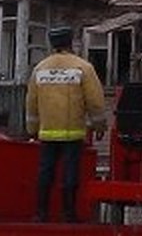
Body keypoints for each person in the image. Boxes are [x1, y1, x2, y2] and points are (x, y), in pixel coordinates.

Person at [25, 26, 107, 223]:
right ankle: (68, 213)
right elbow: (95, 101)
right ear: (71, 42)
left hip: (47, 134)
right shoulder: (83, 68)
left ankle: (41, 213)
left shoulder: (40, 69)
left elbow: (31, 103)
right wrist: (99, 126)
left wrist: (32, 129)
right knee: (70, 173)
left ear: (52, 44)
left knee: (45, 172)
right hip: (73, 133)